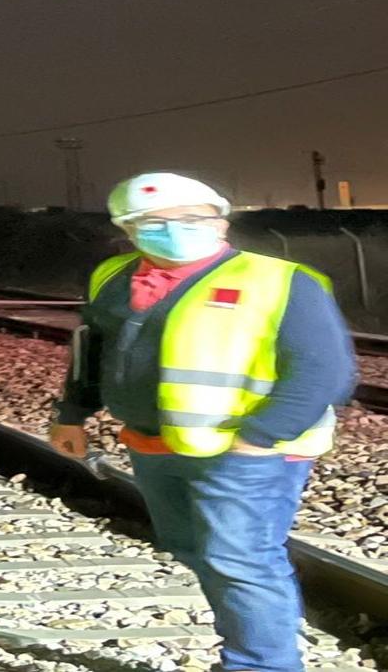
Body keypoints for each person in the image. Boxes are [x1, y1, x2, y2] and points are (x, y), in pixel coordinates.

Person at [48, 173, 355, 672]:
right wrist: (72, 416)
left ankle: (263, 663)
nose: (177, 229)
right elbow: (91, 353)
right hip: (153, 446)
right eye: (155, 222)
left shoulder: (280, 281)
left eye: (194, 218)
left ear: (221, 221)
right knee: (193, 549)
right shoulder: (112, 276)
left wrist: (260, 437)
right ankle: (263, 625)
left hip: (247, 453)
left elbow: (326, 370)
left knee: (239, 559)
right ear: (127, 229)